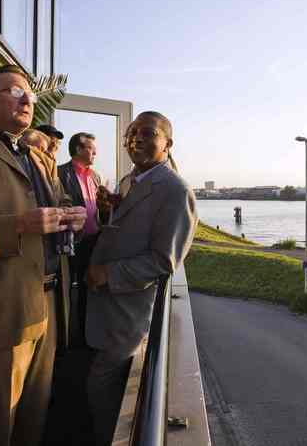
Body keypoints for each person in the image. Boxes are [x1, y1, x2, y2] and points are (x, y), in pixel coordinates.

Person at [0, 65, 86, 446]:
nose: (27, 99)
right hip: (1, 308)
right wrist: (20, 225)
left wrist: (71, 214)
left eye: (31, 94)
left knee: (34, 418)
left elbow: (59, 203)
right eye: (13, 91)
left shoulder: (39, 158)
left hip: (49, 303)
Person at [86, 111, 197, 445]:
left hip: (131, 314)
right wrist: (109, 209)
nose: (135, 139)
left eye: (148, 133)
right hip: (105, 310)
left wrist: (107, 273)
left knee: (101, 389)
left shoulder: (175, 190)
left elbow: (164, 260)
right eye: (131, 133)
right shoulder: (128, 180)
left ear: (168, 143)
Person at [57, 132, 103, 346]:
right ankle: (66, 338)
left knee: (88, 288)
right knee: (66, 290)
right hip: (70, 242)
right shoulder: (60, 173)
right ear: (78, 149)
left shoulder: (95, 176)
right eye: (91, 149)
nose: (95, 153)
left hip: (93, 241)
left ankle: (85, 334)